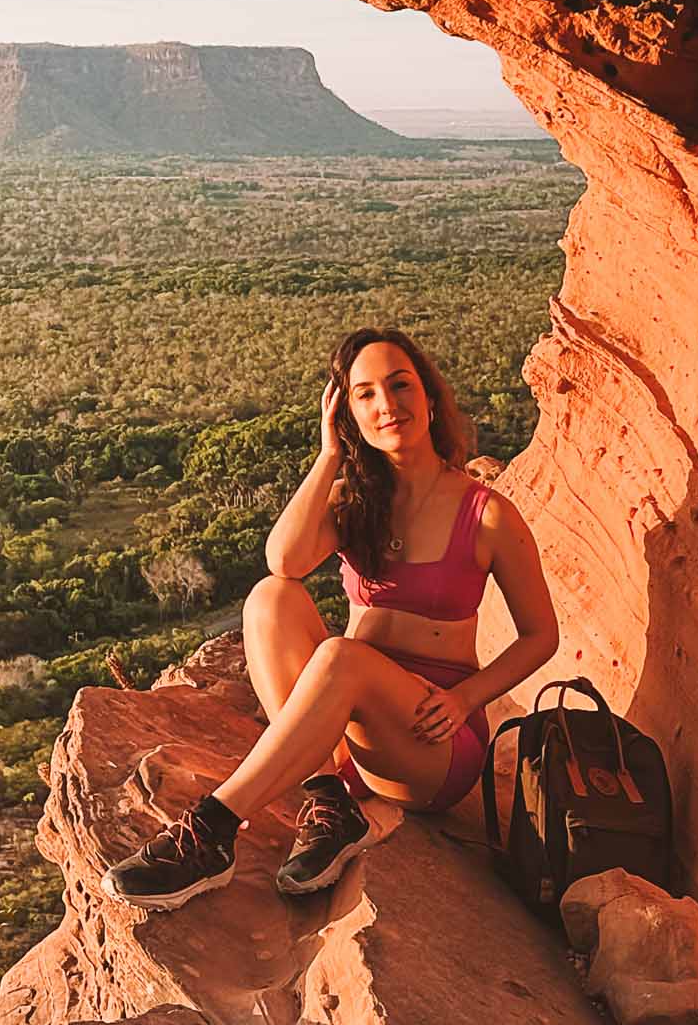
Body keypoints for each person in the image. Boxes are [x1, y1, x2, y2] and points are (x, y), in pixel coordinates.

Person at [102, 326, 559, 910]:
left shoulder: (487, 514)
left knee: (342, 657)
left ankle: (212, 831)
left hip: (430, 740)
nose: (387, 404)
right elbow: (284, 560)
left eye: (400, 385)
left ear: (429, 397)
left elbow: (540, 635)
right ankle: (329, 803)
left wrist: (464, 699)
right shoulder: (354, 499)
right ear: (347, 412)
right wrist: (328, 457)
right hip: (348, 725)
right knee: (271, 597)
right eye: (365, 394)